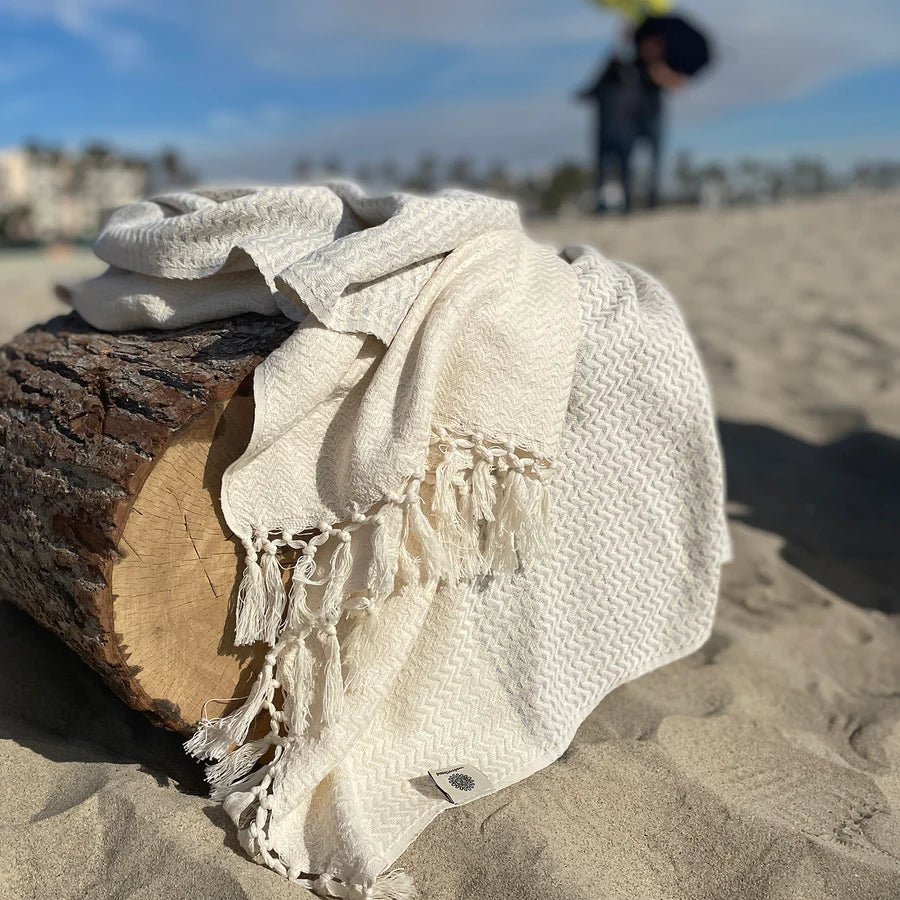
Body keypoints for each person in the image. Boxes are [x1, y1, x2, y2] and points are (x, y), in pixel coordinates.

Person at [578, 29, 686, 212]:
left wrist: (660, 74)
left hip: (653, 118)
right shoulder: (629, 65)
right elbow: (596, 86)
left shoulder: (658, 65)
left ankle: (652, 202)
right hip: (630, 122)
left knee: (653, 162)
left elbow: (678, 84)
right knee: (625, 164)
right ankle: (623, 204)